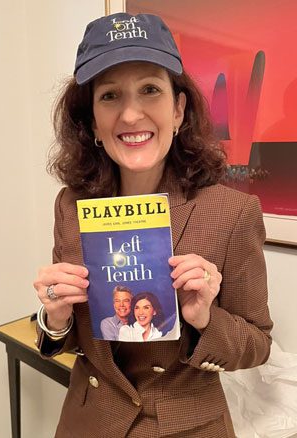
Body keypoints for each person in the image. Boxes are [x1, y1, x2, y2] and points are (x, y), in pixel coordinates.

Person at [33, 12, 273, 437]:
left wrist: (204, 318)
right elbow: (70, 339)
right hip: (87, 423)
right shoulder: (71, 206)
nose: (130, 115)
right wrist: (56, 317)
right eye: (109, 96)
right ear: (91, 123)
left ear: (178, 109)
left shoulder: (233, 213)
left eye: (150, 90)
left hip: (187, 425)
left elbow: (257, 346)